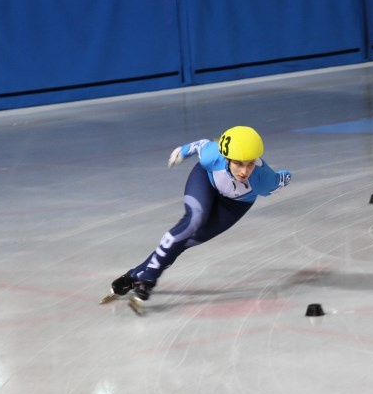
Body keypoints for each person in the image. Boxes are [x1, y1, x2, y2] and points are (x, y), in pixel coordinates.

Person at [105, 125, 292, 311]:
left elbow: (280, 179)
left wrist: (286, 178)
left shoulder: (263, 179)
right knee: (194, 220)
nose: (244, 171)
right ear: (226, 157)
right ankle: (149, 277)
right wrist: (182, 152)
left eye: (250, 163)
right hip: (205, 181)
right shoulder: (213, 155)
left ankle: (133, 276)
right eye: (238, 163)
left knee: (184, 242)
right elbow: (199, 145)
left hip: (235, 205)